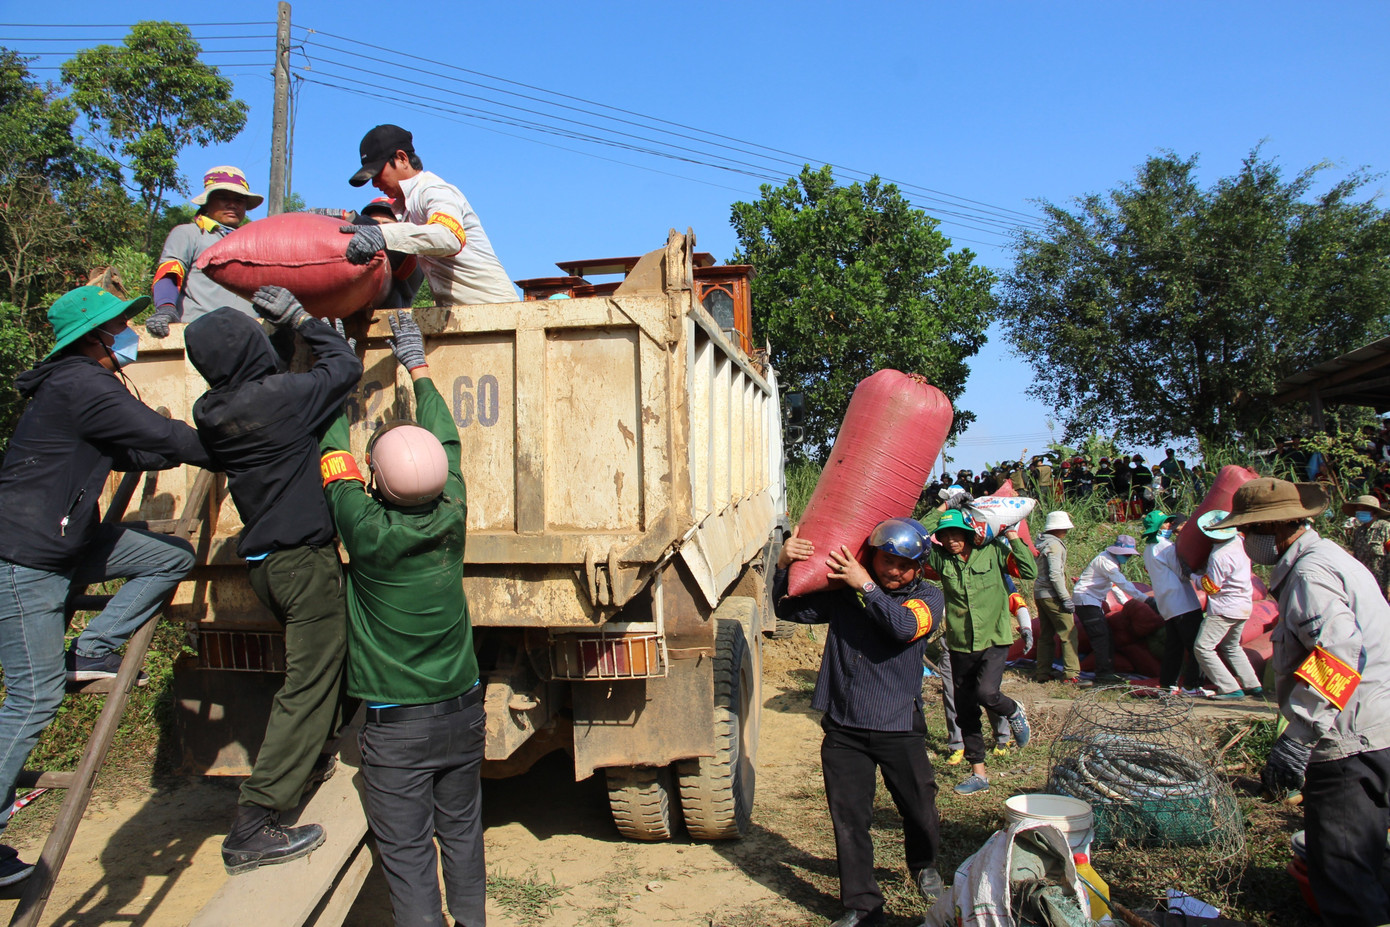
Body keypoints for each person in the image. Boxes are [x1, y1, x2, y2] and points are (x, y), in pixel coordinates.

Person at [0, 286, 212, 885]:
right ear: (93, 339)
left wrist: (166, 452)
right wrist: (234, 444)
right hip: (24, 559)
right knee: (34, 696)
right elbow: (158, 436)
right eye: (120, 327)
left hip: (69, 542)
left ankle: (96, 645)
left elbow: (132, 450)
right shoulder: (79, 384)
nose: (128, 336)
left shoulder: (81, 388)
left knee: (169, 557)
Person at [184, 288, 363, 875]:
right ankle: (253, 824)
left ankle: (310, 760)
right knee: (308, 685)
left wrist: (284, 336)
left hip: (264, 565)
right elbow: (345, 368)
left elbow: (264, 378)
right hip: (302, 565)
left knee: (331, 669)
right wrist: (305, 320)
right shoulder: (281, 401)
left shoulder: (212, 412)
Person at [318, 311, 485, 927]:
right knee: (463, 837)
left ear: (376, 485)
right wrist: (417, 365)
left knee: (409, 855)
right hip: (463, 712)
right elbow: (447, 442)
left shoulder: (364, 532)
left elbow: (333, 453)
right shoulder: (454, 514)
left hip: (397, 733)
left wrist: (336, 373)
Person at [1209, 479, 1390, 926]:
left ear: (1275, 527)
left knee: (1343, 869)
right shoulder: (1329, 558)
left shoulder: (1310, 573)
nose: (1247, 543)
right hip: (1377, 727)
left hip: (1349, 736)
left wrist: (1300, 735)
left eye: (1249, 533)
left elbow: (1340, 653)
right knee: (1370, 857)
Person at [773, 518, 946, 926]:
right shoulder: (844, 595)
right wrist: (782, 565)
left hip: (898, 724)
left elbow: (903, 627)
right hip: (844, 725)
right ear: (874, 556)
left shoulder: (928, 597)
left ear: (919, 566)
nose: (894, 571)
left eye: (905, 564)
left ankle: (924, 864)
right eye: (887, 560)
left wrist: (864, 585)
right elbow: (789, 608)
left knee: (920, 807)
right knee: (850, 819)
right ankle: (862, 905)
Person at [920, 500, 1036, 796]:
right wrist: (943, 506)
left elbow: (1029, 570)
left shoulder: (993, 551)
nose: (950, 540)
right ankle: (979, 774)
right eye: (944, 535)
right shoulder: (940, 559)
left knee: (987, 693)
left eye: (956, 533)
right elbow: (919, 532)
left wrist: (1011, 535)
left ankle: (1013, 710)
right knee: (965, 709)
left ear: (970, 532)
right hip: (960, 644)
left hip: (994, 639)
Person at [342, 124, 517, 306]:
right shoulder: (406, 208)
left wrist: (382, 235)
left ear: (402, 158)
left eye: (377, 172)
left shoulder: (433, 190)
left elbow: (449, 237)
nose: (375, 183)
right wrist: (348, 220)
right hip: (460, 317)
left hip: (494, 310)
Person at [146, 166, 262, 336]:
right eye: (223, 198)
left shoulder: (254, 243)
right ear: (207, 201)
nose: (232, 205)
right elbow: (170, 273)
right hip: (202, 335)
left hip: (250, 337)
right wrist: (166, 308)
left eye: (239, 200)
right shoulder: (190, 234)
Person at [1191, 511, 1262, 700]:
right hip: (1243, 604)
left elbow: (1212, 587)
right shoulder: (1240, 542)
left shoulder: (1219, 555)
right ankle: (1252, 684)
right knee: (1231, 646)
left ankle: (1229, 688)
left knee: (1203, 647)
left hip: (1225, 608)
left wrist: (1193, 577)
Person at [1139, 511, 1204, 691]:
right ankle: (1192, 685)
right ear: (1159, 527)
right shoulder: (1165, 546)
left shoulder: (1148, 548)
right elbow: (1182, 573)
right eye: (1166, 523)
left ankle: (1168, 684)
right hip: (1183, 603)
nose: (1170, 525)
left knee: (1174, 647)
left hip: (1167, 604)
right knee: (1196, 646)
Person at [1072, 535, 1144, 684]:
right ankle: (1103, 674)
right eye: (1127, 555)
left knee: (1106, 636)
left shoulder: (1111, 562)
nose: (1128, 558)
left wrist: (1125, 603)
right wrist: (1144, 599)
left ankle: (1105, 671)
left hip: (1091, 601)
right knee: (1101, 637)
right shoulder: (1106, 562)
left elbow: (1114, 586)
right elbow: (1122, 582)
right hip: (1086, 601)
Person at [1033, 510, 1086, 685]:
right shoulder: (1055, 545)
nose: (1066, 532)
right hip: (1052, 594)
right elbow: (1055, 574)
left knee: (1046, 634)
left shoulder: (1041, 542)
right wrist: (1064, 598)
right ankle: (1071, 674)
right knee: (1068, 633)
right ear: (1058, 528)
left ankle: (1043, 672)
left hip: (1040, 593)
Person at [1344, 494, 1390, 600]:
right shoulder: (1359, 532)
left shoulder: (1385, 528)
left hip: (1383, 585)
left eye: (1364, 509)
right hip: (1365, 585)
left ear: (1373, 511)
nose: (1360, 512)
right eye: (1358, 509)